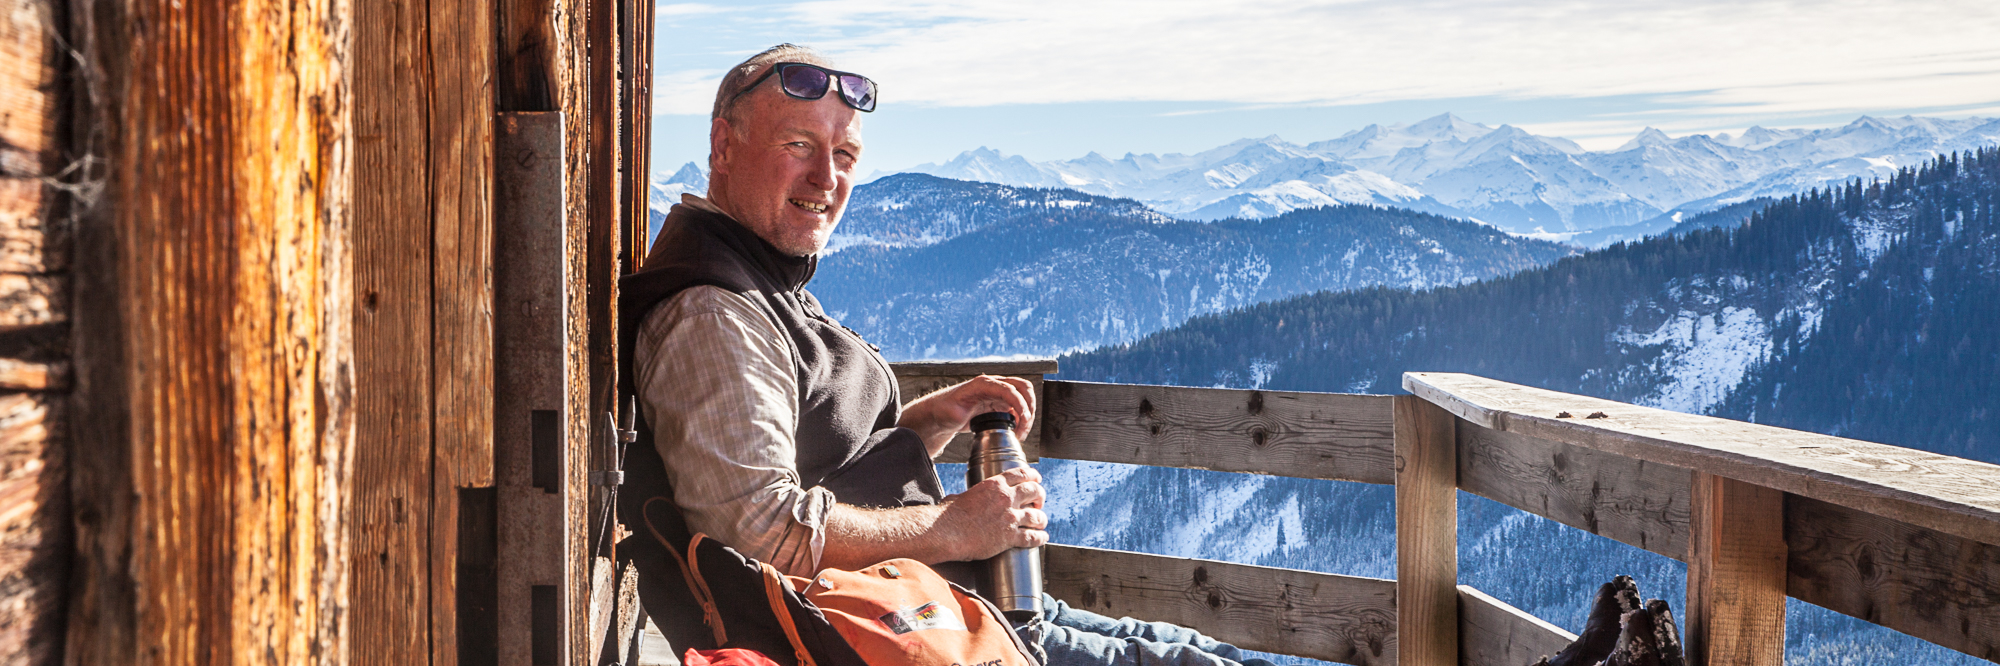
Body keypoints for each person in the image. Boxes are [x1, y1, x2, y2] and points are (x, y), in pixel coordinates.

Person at [617, 44, 1279, 666]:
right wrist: (953, 529)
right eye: (798, 146)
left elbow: (821, 463)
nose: (827, 177)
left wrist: (927, 421)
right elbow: (761, 532)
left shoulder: (760, 276)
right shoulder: (715, 312)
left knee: (1191, 647)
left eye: (845, 154)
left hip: (934, 605)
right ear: (724, 146)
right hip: (885, 632)